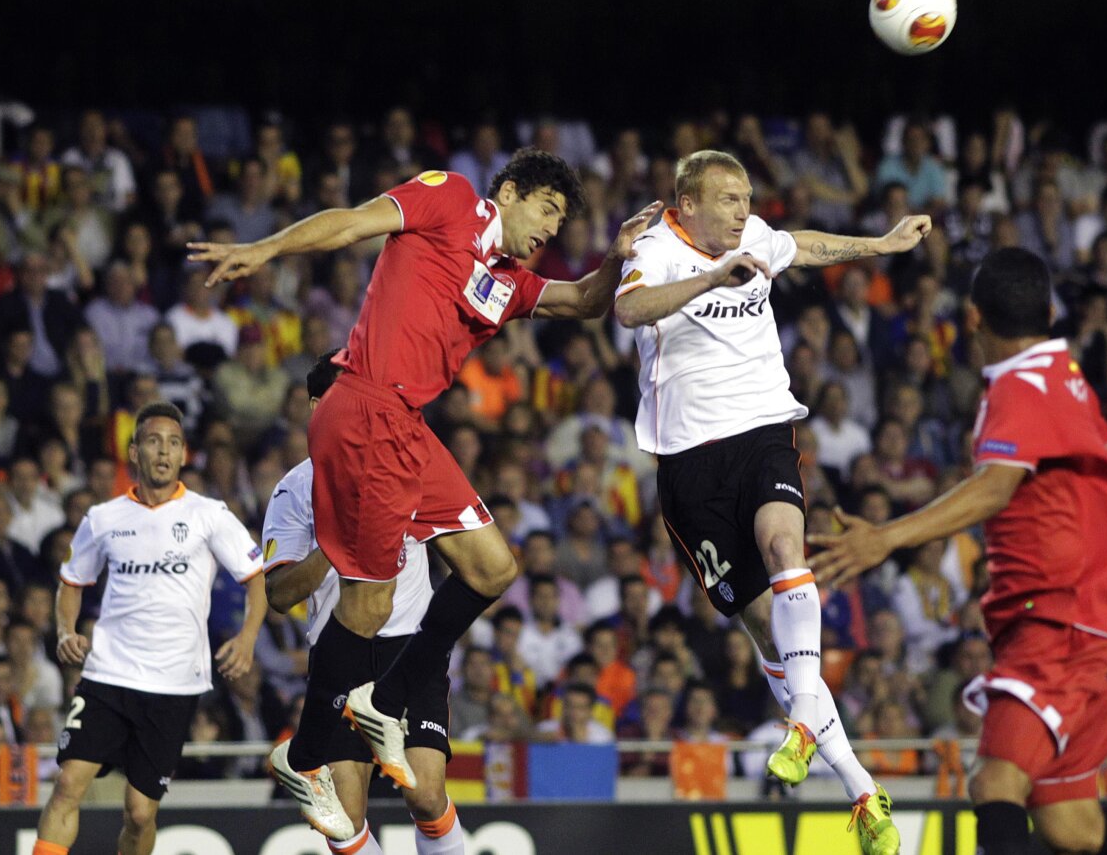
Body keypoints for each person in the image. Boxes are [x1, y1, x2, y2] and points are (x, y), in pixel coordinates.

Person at [189, 148, 659, 792]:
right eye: (547, 209)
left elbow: (582, 301)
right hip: (366, 405)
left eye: (560, 221)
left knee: (494, 568)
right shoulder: (453, 197)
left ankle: (382, 698)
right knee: (371, 600)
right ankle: (304, 758)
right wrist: (268, 249)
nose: (551, 229)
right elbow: (354, 222)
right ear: (513, 191)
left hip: (407, 426)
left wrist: (615, 257)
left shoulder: (508, 281)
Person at [612, 150, 926, 855]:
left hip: (761, 430)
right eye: (727, 198)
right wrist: (711, 277)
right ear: (686, 203)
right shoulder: (655, 247)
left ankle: (803, 725)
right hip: (689, 462)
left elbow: (803, 246)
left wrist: (881, 242)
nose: (742, 210)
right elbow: (629, 306)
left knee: (789, 548)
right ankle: (860, 787)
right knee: (767, 633)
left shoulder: (753, 235)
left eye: (747, 197)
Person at [811, 247, 1107, 855]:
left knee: (995, 781)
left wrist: (884, 537)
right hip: (1084, 613)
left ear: (973, 320)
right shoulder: (1062, 372)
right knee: (1071, 827)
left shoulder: (1016, 393)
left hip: (1056, 616)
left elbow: (995, 485)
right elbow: (1105, 444)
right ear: (1049, 312)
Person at [33, 402, 266, 855]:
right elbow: (70, 583)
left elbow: (256, 577)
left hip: (174, 684)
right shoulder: (103, 519)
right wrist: (65, 630)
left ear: (183, 455)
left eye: (174, 443)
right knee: (67, 786)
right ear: (134, 452)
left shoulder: (209, 514)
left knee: (140, 814)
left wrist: (248, 637)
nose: (164, 451)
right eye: (154, 442)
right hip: (108, 676)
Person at [261, 350, 466, 854]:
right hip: (340, 653)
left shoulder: (406, 464)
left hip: (408, 649)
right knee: (345, 818)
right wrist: (336, 544)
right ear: (316, 409)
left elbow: (461, 545)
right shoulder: (293, 491)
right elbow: (279, 594)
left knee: (425, 793)